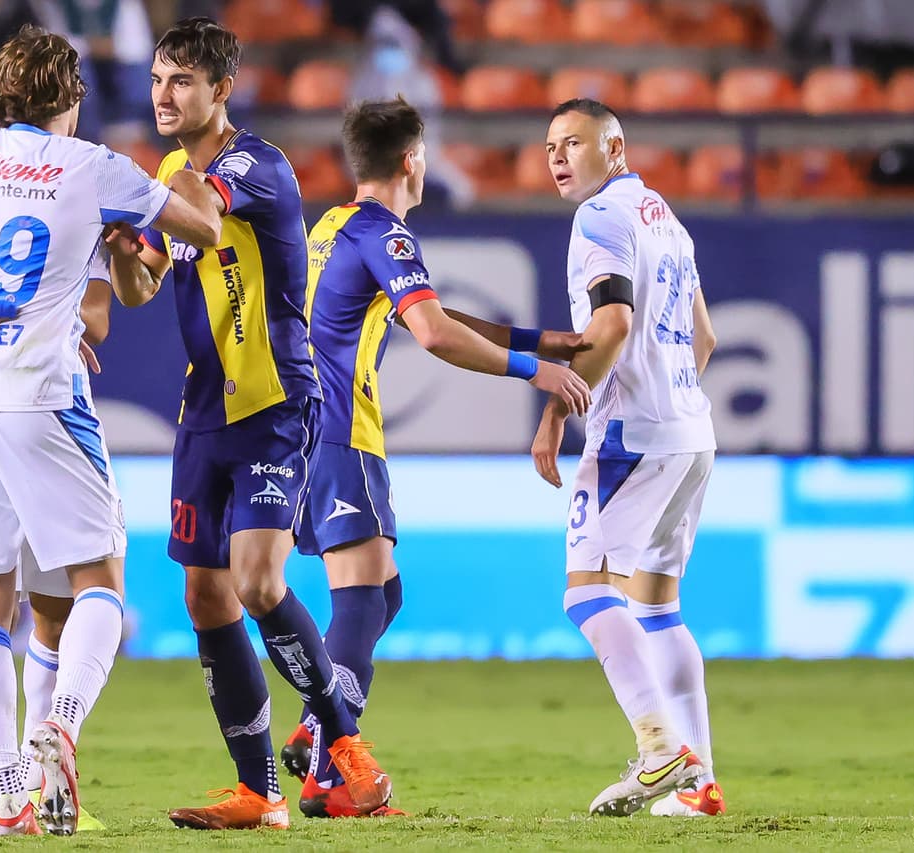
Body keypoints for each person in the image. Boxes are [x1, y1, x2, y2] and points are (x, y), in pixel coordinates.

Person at [0, 24, 221, 835]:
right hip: (39, 396)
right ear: (71, 98)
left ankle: (1, 789)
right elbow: (205, 228)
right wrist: (152, 217)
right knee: (102, 587)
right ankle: (58, 728)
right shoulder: (91, 167)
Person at [106, 16, 392, 829]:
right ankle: (259, 791)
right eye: (159, 79)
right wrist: (129, 249)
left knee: (260, 581)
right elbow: (140, 287)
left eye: (182, 81)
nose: (164, 95)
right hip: (205, 412)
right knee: (204, 596)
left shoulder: (253, 166)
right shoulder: (167, 167)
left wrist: (124, 200)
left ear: (221, 90)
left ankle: (344, 741)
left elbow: (195, 208)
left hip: (275, 402)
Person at [278, 97, 591, 819]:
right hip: (341, 433)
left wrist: (533, 340)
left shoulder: (331, 225)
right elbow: (433, 333)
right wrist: (531, 372)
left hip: (306, 432)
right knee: (359, 598)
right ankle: (331, 774)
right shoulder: (385, 234)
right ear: (413, 161)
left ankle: (317, 724)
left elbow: (425, 310)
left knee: (383, 594)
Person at [529, 98, 722, 817]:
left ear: (615, 148)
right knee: (658, 606)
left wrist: (557, 407)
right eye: (550, 144)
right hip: (689, 431)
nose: (556, 156)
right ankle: (701, 787)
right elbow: (704, 336)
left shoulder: (600, 217)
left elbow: (611, 322)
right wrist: (671, 402)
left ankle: (660, 747)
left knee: (587, 592)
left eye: (573, 142)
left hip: (632, 435)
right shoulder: (663, 216)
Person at [0, 275, 122, 835]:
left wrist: (48, 325)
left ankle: (32, 788)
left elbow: (94, 317)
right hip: (31, 401)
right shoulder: (83, 189)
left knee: (51, 611)